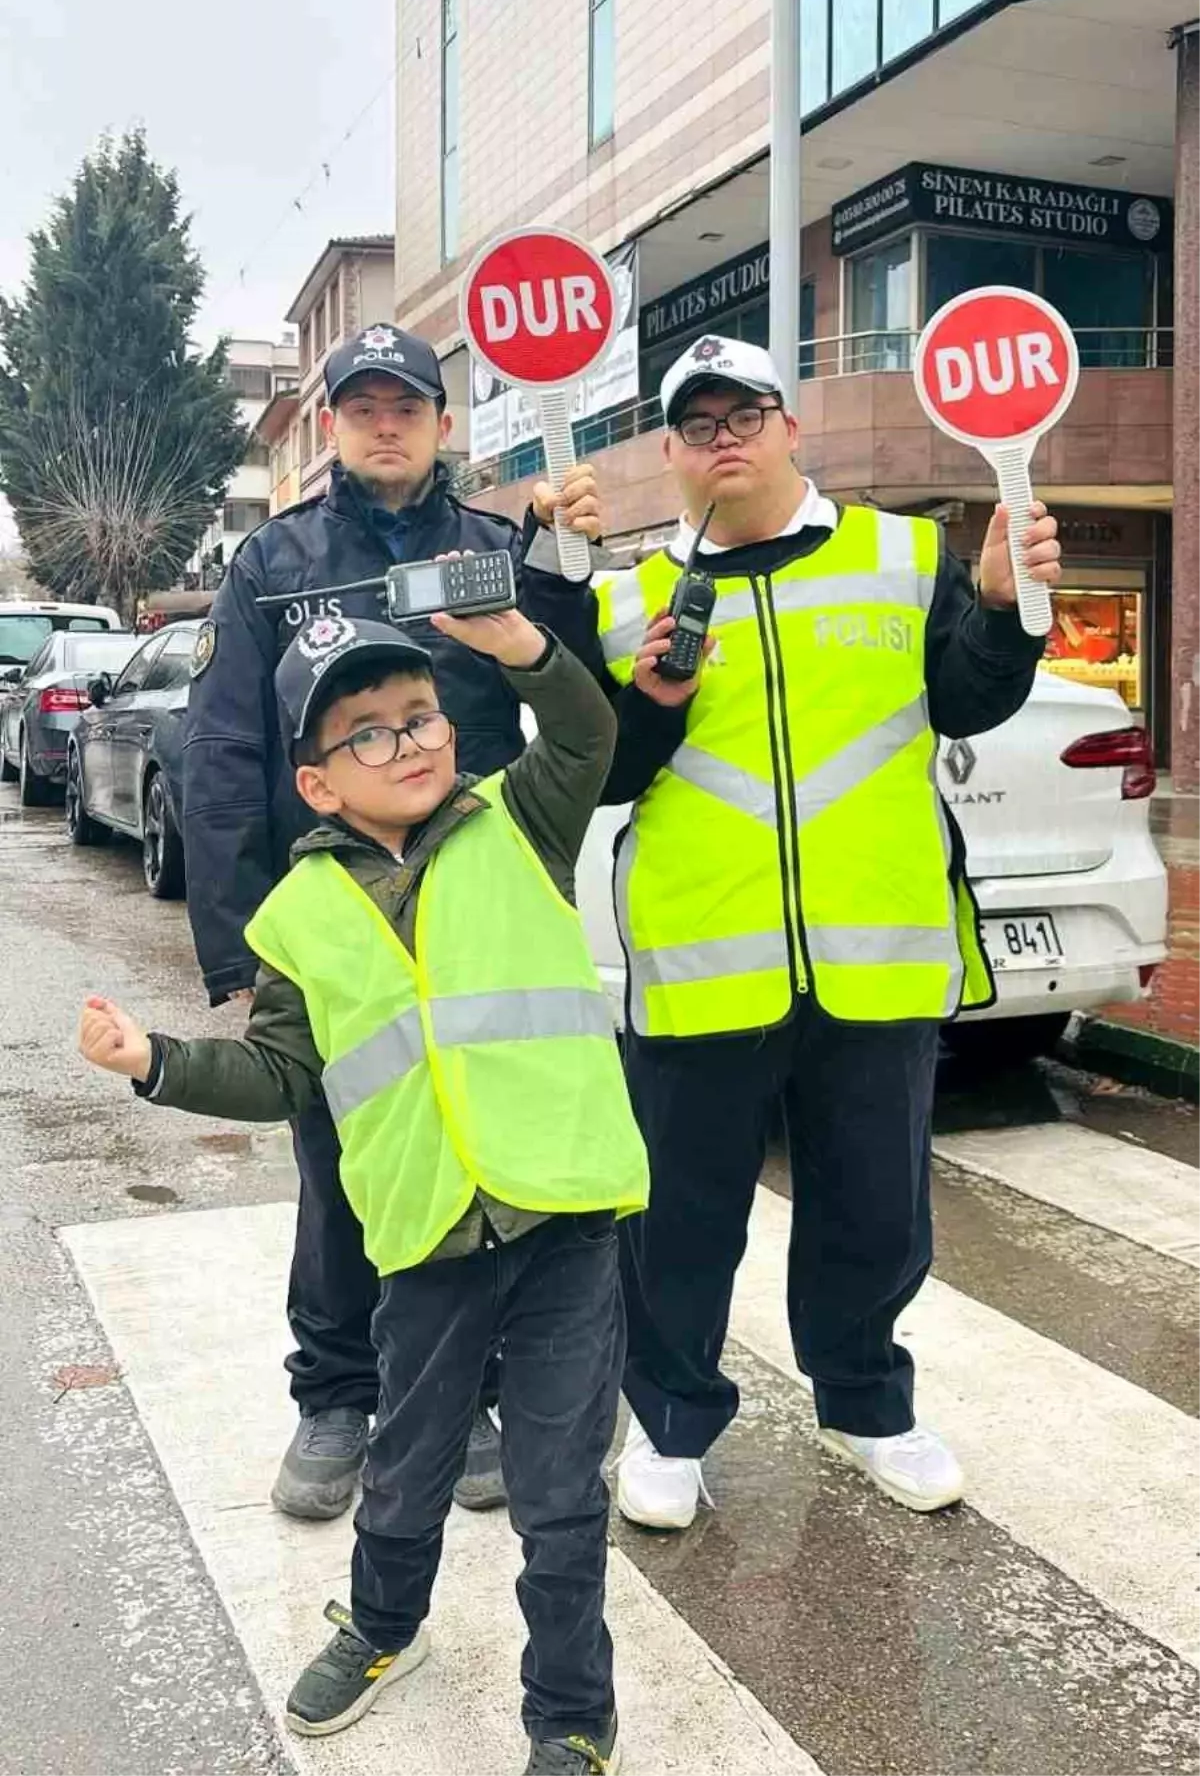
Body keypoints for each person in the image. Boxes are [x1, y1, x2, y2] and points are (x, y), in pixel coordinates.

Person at [80, 607, 647, 1775]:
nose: (413, 744)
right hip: (428, 1236)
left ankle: (571, 1719)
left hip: (564, 1222)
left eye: (421, 718)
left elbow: (588, 732)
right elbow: (285, 1071)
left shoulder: (515, 820)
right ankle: (387, 1631)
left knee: (557, 1497)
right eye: (371, 735)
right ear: (318, 783)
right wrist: (158, 1064)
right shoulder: (297, 921)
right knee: (405, 1470)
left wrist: (521, 647)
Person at [581, 335, 1062, 1529]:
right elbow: (605, 774)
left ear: (794, 429)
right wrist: (648, 701)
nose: (724, 436)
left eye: (746, 412)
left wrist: (1005, 610)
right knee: (679, 1221)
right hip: (699, 963)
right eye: (698, 423)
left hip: (876, 956)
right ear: (670, 455)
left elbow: (968, 696)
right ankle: (674, 1422)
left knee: (872, 1207)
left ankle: (866, 1407)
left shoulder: (903, 556)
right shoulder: (629, 597)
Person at [182, 323, 601, 1523]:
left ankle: (463, 1389)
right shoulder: (273, 561)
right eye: (359, 405)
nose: (382, 422)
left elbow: (567, 693)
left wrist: (569, 559)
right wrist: (240, 940)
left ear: (441, 422)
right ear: (331, 426)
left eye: (404, 404)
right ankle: (334, 1391)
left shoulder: (495, 549)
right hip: (341, 902)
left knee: (473, 1141)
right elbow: (225, 750)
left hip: (470, 902)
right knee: (338, 1156)